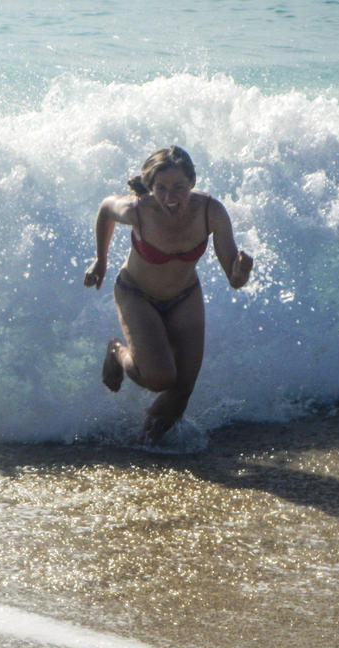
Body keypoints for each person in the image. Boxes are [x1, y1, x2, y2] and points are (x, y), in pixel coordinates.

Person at [83, 146, 253, 442]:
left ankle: (150, 448)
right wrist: (101, 259)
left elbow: (234, 278)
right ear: (150, 187)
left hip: (185, 297)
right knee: (160, 378)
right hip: (136, 294)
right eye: (161, 188)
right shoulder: (138, 210)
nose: (170, 198)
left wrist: (240, 273)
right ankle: (116, 352)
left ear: (193, 182)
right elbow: (106, 209)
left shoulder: (211, 211)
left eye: (179, 188)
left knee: (181, 392)